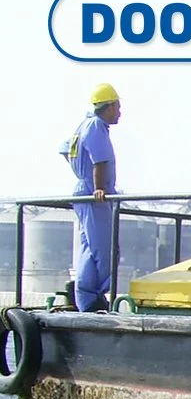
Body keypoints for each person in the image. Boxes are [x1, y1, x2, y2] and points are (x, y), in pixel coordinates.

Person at [59, 83, 121, 312]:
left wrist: (81, 174)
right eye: (118, 107)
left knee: (89, 247)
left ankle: (86, 298)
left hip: (83, 192)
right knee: (105, 249)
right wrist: (98, 187)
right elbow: (100, 159)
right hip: (94, 196)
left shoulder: (83, 124)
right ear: (110, 106)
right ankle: (96, 296)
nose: (120, 113)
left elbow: (65, 149)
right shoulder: (96, 125)